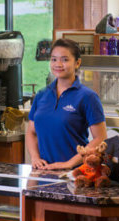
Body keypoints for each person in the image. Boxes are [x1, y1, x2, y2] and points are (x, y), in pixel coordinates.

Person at [26, 39, 107, 170]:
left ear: (77, 63)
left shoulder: (88, 97)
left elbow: (100, 138)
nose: (58, 64)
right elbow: (31, 132)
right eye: (53, 59)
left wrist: (68, 164)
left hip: (75, 173)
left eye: (64, 59)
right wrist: (35, 158)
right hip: (44, 171)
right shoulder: (41, 95)